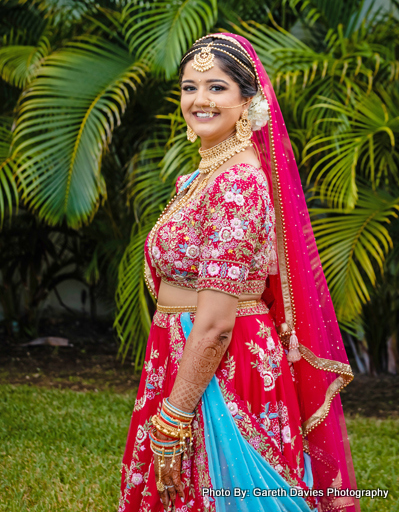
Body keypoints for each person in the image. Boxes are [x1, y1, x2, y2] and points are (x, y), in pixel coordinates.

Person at [118, 34, 359, 512]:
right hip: (184, 351)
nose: (199, 101)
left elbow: (215, 324)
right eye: (189, 88)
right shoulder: (203, 175)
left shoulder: (238, 185)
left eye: (217, 87)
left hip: (223, 368)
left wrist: (174, 413)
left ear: (248, 101)